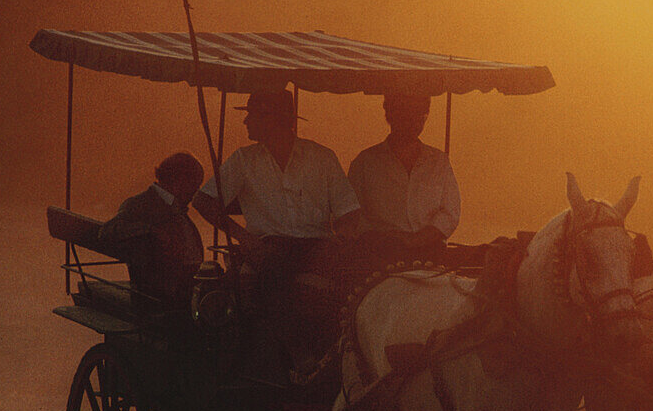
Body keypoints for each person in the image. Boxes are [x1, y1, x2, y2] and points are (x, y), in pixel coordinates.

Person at [192, 88, 360, 383]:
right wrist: (245, 238)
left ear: (272, 119)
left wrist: (343, 240)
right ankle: (299, 356)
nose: (246, 123)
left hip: (317, 249)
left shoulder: (322, 158)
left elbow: (349, 213)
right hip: (266, 249)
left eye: (252, 116)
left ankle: (344, 356)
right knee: (269, 272)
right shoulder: (245, 160)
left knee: (353, 278)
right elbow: (203, 201)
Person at [347, 93, 460, 265]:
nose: (412, 122)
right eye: (405, 115)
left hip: (430, 254)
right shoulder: (365, 162)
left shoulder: (439, 161)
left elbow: (450, 212)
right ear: (390, 115)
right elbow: (353, 214)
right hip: (378, 255)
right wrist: (384, 239)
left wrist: (420, 239)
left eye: (419, 115)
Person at [99, 152, 205, 311]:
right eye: (194, 186)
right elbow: (107, 232)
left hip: (181, 285)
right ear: (178, 180)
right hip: (165, 296)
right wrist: (150, 231)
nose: (195, 192)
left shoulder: (172, 206)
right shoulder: (142, 204)